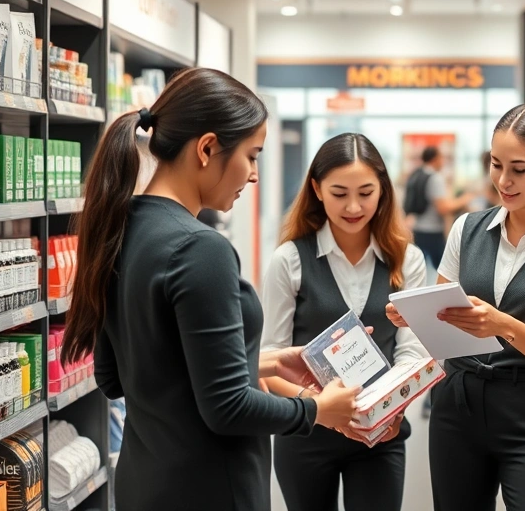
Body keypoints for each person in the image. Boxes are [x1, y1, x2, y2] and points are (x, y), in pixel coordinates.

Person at [61, 68, 361, 511]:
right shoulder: (201, 250)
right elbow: (228, 409)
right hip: (210, 488)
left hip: (143, 484)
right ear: (207, 149)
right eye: (252, 155)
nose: (254, 174)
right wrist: (318, 410)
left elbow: (121, 374)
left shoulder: (119, 227)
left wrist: (264, 361)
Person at [386, 102, 525, 511]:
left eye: (519, 169)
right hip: (455, 406)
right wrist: (415, 316)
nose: (503, 181)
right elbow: (444, 325)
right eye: (495, 165)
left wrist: (504, 325)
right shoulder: (467, 229)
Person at [261, 132, 428, 511]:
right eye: (339, 193)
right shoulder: (289, 260)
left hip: (381, 436)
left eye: (366, 192)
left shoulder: (407, 260)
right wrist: (319, 407)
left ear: (383, 190)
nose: (353, 206)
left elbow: (412, 350)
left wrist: (393, 405)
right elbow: (270, 359)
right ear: (317, 189)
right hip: (306, 433)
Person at [405, 146, 475, 270]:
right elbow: (442, 208)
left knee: (416, 268)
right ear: (435, 159)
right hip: (432, 232)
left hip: (418, 228)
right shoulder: (435, 177)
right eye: (441, 157)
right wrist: (463, 200)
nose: (442, 161)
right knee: (446, 270)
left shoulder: (417, 174)